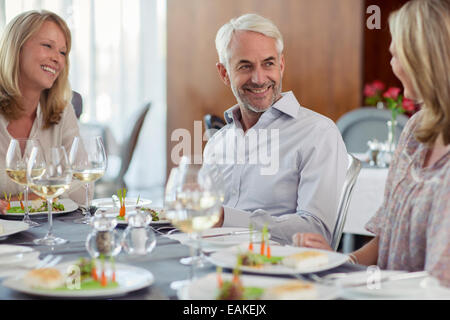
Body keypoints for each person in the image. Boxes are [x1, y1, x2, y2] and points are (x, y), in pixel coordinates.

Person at [292, 0, 450, 287]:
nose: (392, 64)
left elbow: (439, 285)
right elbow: (388, 237)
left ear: (424, 58)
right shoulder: (416, 130)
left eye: (397, 55)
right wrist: (340, 263)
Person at [203, 13, 348, 244]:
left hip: (280, 272)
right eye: (245, 66)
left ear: (281, 65)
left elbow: (317, 232)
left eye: (268, 63)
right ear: (224, 73)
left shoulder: (319, 133)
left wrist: (227, 219)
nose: (259, 79)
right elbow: (202, 217)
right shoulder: (217, 143)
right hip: (215, 264)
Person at [0, 10, 87, 213]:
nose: (57, 59)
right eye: (48, 46)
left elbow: (83, 189)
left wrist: (15, 203)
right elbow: (67, 189)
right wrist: (48, 194)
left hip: (50, 234)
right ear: (17, 48)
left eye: (63, 52)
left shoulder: (62, 111)